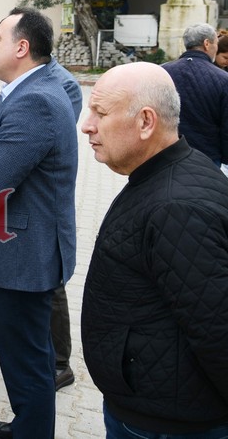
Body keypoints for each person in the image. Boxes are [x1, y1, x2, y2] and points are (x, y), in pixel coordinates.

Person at [81, 62, 228, 438]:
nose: (87, 125)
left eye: (101, 113)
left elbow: (217, 330)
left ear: (146, 122)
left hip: (166, 423)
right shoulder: (164, 175)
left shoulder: (177, 208)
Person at [0, 7, 78, 439]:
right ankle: (28, 424)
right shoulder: (29, 89)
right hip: (23, 250)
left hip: (22, 255)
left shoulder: (36, 100)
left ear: (22, 47)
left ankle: (32, 431)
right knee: (27, 356)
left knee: (26, 361)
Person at [0, 56, 83, 393]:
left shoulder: (61, 84)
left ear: (23, 46)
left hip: (38, 207)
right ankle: (16, 336)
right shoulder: (20, 81)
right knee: (15, 277)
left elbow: (44, 142)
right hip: (10, 202)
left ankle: (59, 363)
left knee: (48, 286)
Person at [160, 23, 228, 167]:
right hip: (207, 157)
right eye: (216, 43)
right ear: (207, 44)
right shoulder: (223, 79)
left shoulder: (162, 72)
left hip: (167, 153)